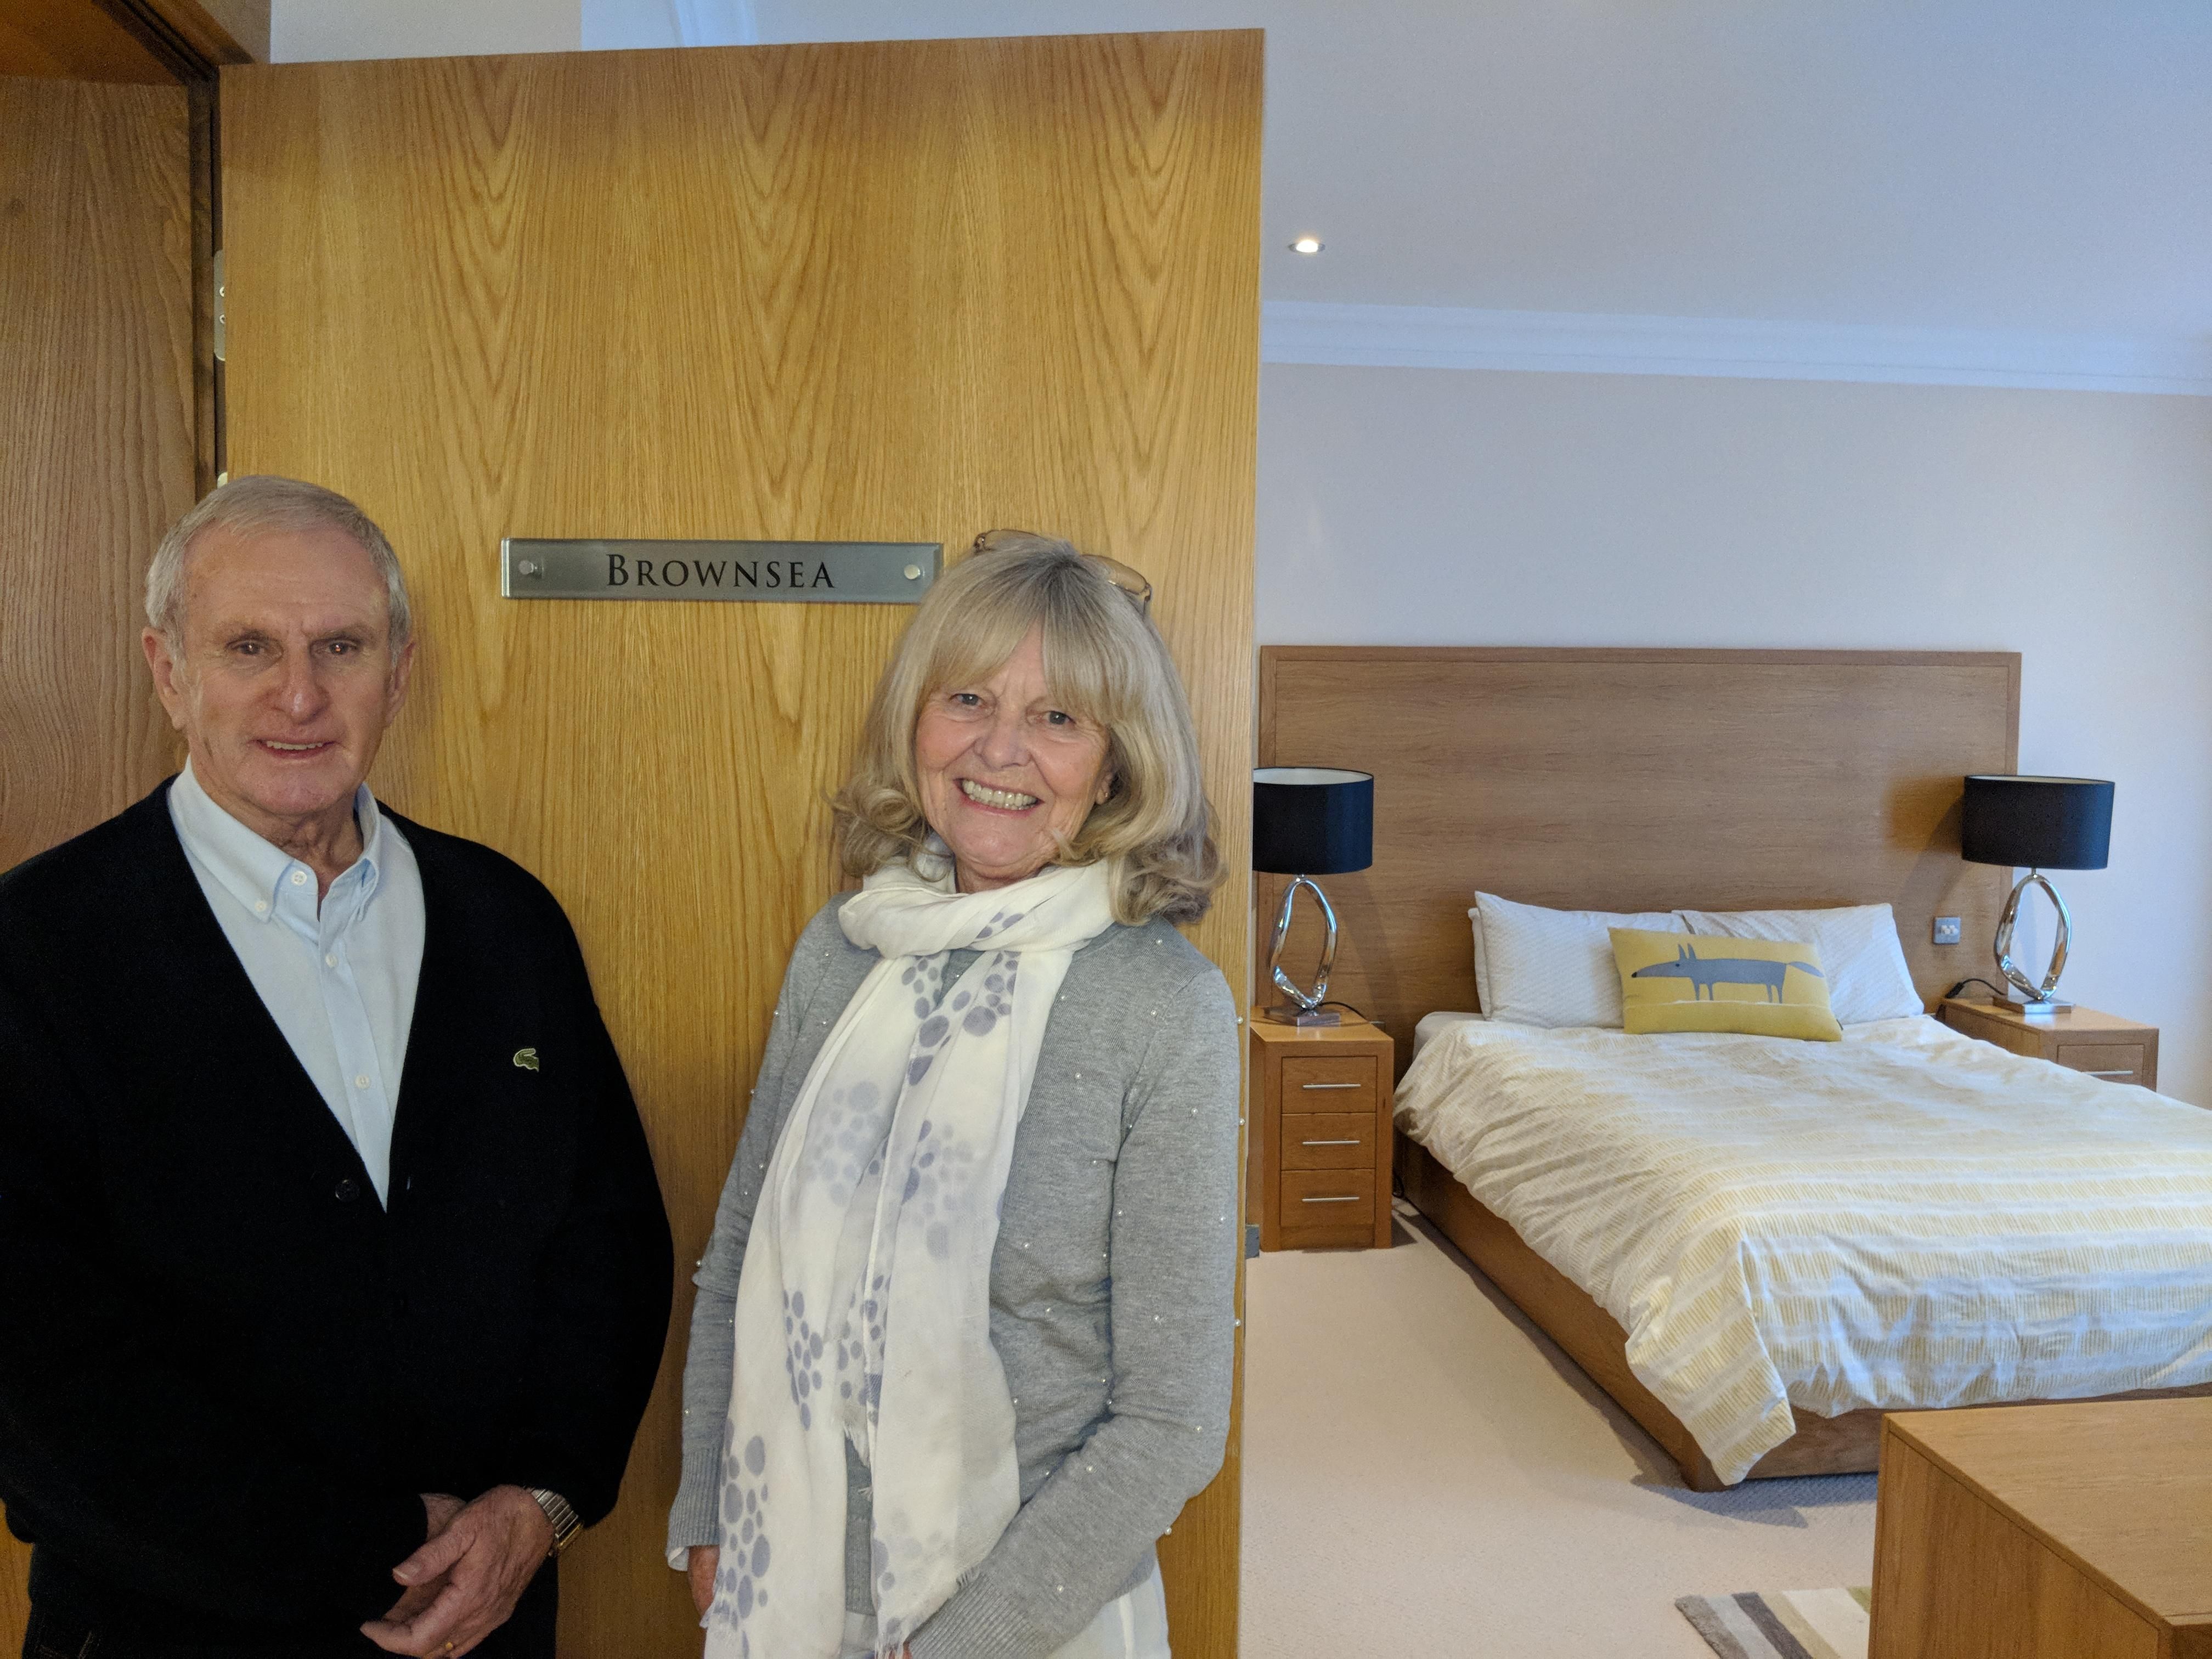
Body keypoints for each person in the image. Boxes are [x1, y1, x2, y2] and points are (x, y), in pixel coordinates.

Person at [0, 476, 673, 1659]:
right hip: (165, 1632)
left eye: (342, 647)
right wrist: (367, 1546)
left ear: (397, 673)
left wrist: (541, 1504)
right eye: (249, 646)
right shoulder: (38, 946)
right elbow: (33, 1367)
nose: (300, 695)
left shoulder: (505, 919)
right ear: (168, 671)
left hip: (485, 1625)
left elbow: (606, 1247)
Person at [666, 533, 1240, 1659]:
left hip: (1030, 1619)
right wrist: (708, 1511)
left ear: (1115, 766)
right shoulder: (842, 952)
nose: (1000, 748)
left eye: (1058, 717)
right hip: (788, 1579)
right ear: (916, 723)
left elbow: (1171, 1421)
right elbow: (737, 1256)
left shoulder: (1163, 1006)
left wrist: (963, 1644)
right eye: (967, 698)